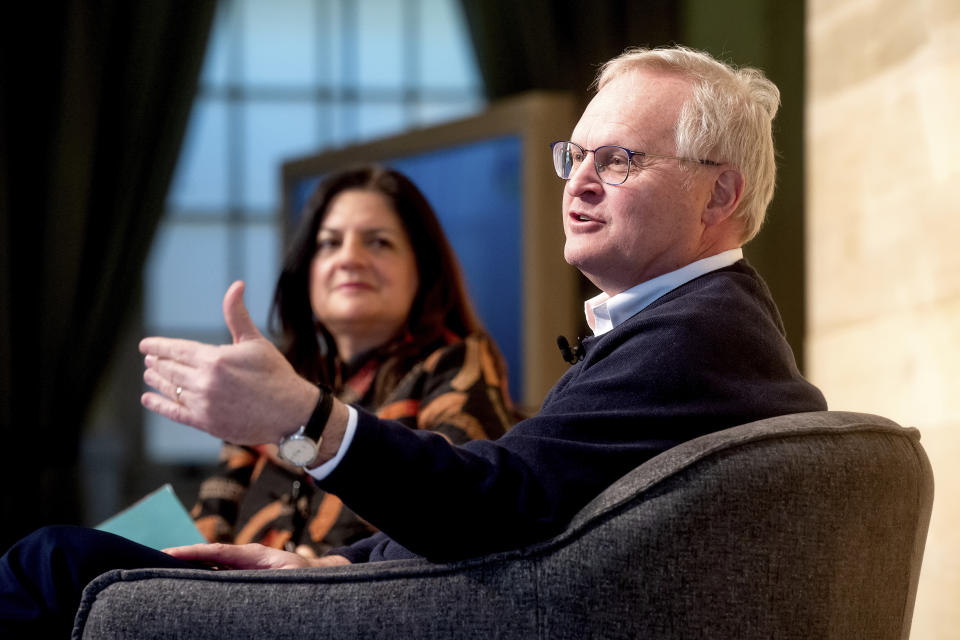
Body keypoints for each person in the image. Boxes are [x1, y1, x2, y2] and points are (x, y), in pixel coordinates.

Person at [1, 45, 828, 636]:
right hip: (385, 593)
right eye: (574, 155)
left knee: (48, 564)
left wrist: (301, 415)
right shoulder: (696, 327)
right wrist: (330, 569)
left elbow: (487, 501)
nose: (577, 181)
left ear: (721, 192)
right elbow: (515, 503)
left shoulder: (696, 339)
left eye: (617, 159)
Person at [190, 165, 514, 558]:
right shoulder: (282, 380)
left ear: (422, 270)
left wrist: (319, 567)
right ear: (306, 271)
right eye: (329, 243)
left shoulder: (455, 363)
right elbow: (213, 519)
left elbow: (460, 507)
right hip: (235, 605)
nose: (349, 259)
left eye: (378, 242)